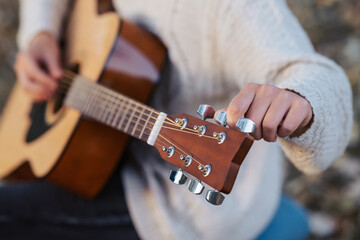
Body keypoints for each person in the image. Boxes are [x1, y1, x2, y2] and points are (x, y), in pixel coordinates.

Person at [8, 0, 352, 239]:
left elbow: (310, 72)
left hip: (176, 205)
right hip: (95, 150)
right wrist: (41, 33)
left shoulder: (235, 8)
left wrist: (301, 103)